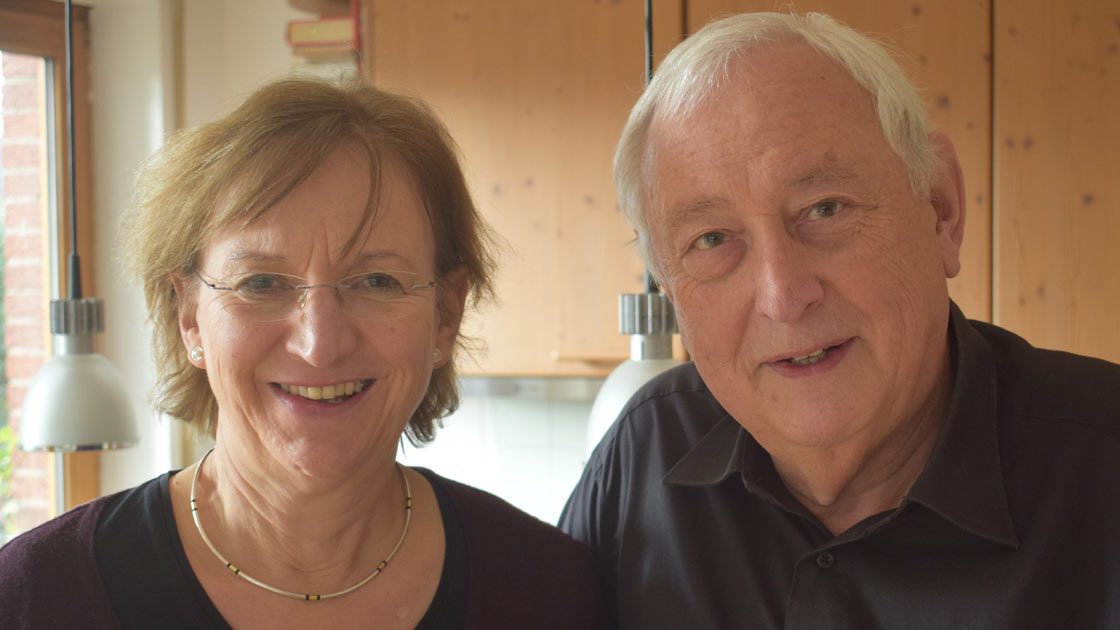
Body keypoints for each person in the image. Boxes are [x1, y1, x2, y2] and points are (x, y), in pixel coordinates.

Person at [559, 11, 1120, 629]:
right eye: (711, 239)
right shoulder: (641, 454)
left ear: (941, 209)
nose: (782, 296)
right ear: (668, 285)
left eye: (825, 208)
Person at [0, 78, 606, 629]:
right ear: (189, 316)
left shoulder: (550, 590)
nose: (319, 345)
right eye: (261, 282)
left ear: (446, 315)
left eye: (376, 281)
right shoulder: (36, 597)